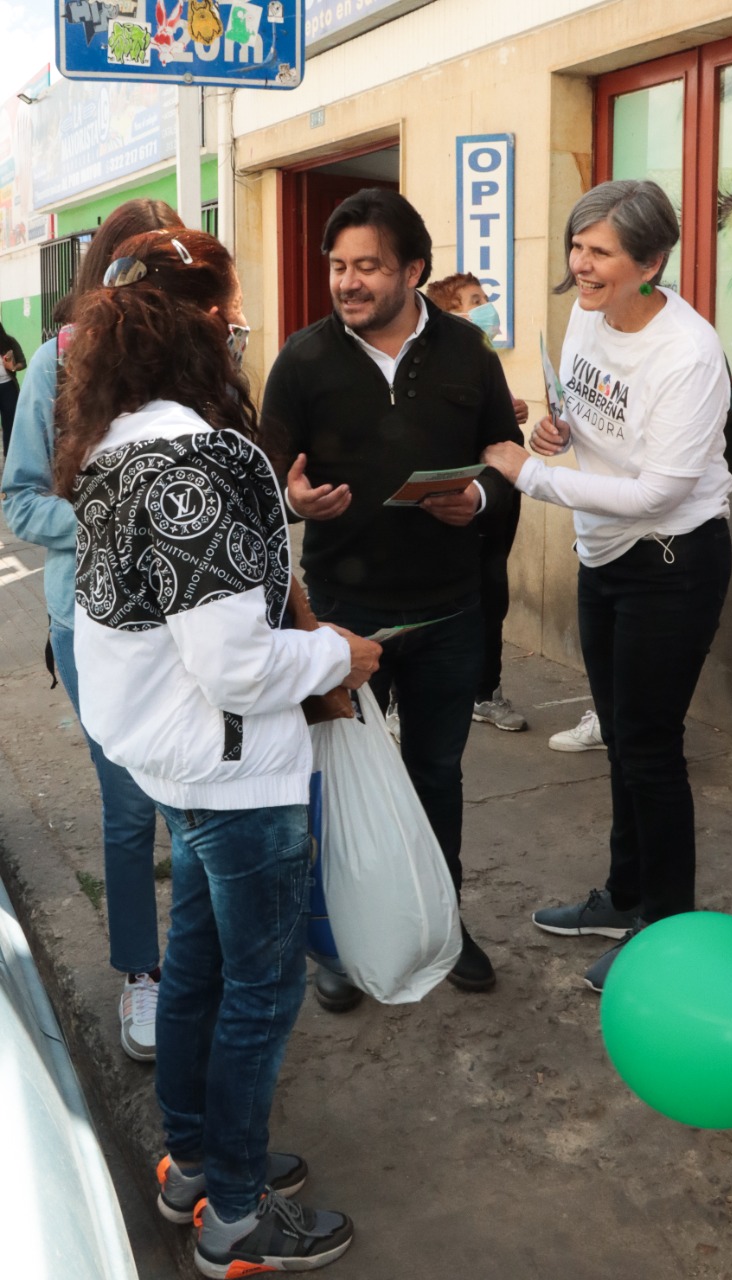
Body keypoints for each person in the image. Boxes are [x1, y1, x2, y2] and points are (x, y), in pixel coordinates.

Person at [54, 227, 379, 1274]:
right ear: (197, 327)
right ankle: (235, 1214)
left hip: (177, 763)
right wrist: (336, 653)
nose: (242, 337)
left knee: (197, 969)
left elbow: (174, 611)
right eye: (234, 320)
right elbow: (235, 663)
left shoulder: (114, 445)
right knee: (260, 993)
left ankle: (192, 1161)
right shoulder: (200, 458)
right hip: (234, 772)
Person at [260, 188, 523, 1010]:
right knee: (339, 784)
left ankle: (439, 921)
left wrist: (478, 499)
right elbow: (264, 478)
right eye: (339, 266)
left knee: (436, 774)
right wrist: (292, 501)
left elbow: (506, 456)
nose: (348, 282)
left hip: (449, 609)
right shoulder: (302, 360)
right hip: (344, 617)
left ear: (413, 270)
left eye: (368, 266)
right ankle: (341, 938)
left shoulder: (468, 352)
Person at [484, 179, 732, 992]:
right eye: (576, 246)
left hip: (671, 562)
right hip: (603, 555)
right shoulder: (589, 316)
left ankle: (666, 931)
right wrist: (558, 431)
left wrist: (531, 476)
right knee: (623, 739)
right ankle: (624, 899)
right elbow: (587, 420)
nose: (581, 265)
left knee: (651, 749)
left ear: (650, 264)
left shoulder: (687, 352)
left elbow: (660, 490)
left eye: (600, 252)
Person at [2, 199, 186, 1062]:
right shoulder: (56, 362)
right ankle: (142, 973)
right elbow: (21, 500)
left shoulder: (195, 357)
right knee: (128, 804)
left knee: (199, 800)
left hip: (192, 620)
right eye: (142, 269)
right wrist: (112, 519)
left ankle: (199, 960)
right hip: (92, 621)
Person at [427, 271, 530, 732]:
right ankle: (399, 700)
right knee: (437, 601)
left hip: (496, 500)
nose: (485, 308)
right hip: (452, 500)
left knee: (492, 596)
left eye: (484, 298)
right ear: (449, 315)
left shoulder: (487, 358)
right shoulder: (436, 362)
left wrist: (511, 410)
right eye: (473, 300)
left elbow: (497, 424)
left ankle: (486, 693)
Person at [0, 320, 27, 457]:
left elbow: (23, 362)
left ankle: (10, 456)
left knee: (10, 424)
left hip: (8, 388)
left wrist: (14, 367)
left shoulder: (9, 342)